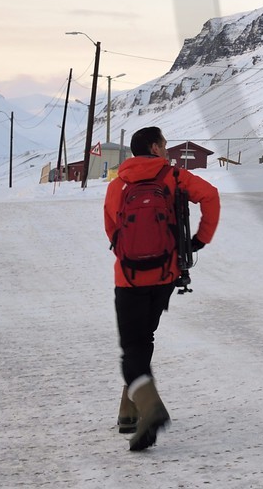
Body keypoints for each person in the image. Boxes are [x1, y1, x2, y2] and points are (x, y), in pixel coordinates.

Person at [103, 126, 220, 451]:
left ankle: (150, 408)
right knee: (145, 339)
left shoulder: (118, 184)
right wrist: (200, 239)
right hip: (166, 274)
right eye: (165, 146)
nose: (167, 151)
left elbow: (112, 228)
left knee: (133, 346)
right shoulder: (175, 177)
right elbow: (210, 195)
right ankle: (129, 411)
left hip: (128, 278)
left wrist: (128, 256)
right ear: (154, 148)